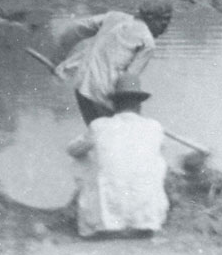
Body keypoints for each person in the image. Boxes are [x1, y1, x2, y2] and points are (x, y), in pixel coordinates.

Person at [66, 72, 169, 238]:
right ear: (139, 105)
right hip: (147, 217)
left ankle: (100, 216)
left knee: (83, 156)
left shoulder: (99, 126)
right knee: (156, 159)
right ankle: (144, 218)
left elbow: (71, 149)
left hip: (106, 219)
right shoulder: (155, 127)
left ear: (114, 104)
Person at [53, 0, 173, 126]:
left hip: (81, 83)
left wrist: (58, 57)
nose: (165, 28)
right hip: (104, 93)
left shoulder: (114, 17)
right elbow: (129, 78)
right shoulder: (147, 42)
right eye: (163, 22)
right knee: (114, 134)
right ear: (152, 19)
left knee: (95, 132)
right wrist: (131, 112)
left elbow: (75, 29)